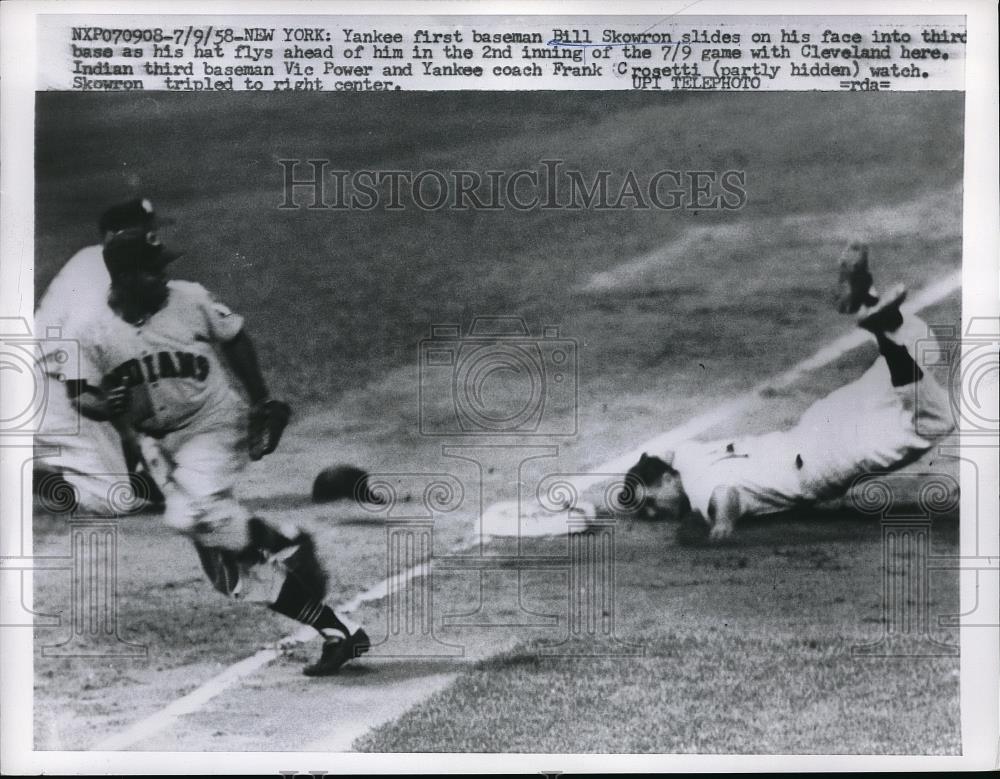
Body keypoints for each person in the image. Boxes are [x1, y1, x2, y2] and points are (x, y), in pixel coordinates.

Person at [64, 226, 369, 676]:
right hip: (158, 445)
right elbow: (78, 394)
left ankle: (283, 540)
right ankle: (339, 630)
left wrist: (262, 400)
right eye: (152, 271)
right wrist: (100, 406)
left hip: (214, 423)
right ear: (125, 277)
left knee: (192, 515)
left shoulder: (190, 299)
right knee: (233, 580)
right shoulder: (88, 327)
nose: (164, 277)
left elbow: (235, 337)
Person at [625, 243, 955, 543]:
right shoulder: (685, 454)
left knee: (931, 422)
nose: (652, 515)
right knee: (922, 350)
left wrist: (722, 523)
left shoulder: (697, 490)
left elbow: (725, 495)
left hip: (825, 458)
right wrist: (643, 474)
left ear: (669, 480)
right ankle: (869, 300)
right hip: (819, 427)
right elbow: (659, 455)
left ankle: (878, 326)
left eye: (650, 502)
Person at [35, 198, 166, 513]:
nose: (148, 237)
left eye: (148, 230)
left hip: (59, 382)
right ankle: (36, 475)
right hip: (48, 389)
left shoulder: (102, 262)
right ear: (111, 237)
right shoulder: (100, 288)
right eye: (137, 231)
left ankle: (70, 465)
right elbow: (82, 376)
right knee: (112, 502)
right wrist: (133, 435)